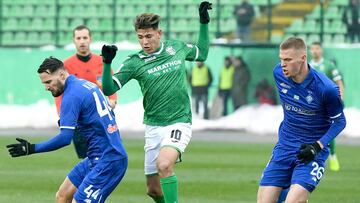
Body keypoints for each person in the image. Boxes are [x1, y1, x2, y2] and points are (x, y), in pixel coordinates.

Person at [100, 2, 212, 203]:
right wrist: (107, 64)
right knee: (153, 190)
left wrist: (204, 22)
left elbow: (201, 53)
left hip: (178, 121)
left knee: (164, 165)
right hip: (153, 125)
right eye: (140, 37)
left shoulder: (175, 48)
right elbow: (109, 89)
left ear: (159, 33)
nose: (144, 42)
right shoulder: (134, 61)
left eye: (149, 36)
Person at [6, 57, 128, 203]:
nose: (46, 87)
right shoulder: (85, 85)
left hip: (108, 160)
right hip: (97, 156)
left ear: (62, 75)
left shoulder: (71, 96)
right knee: (63, 196)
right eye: (44, 83)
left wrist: (31, 148)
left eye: (48, 81)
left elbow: (65, 139)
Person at [257, 37, 346, 203]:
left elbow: (340, 122)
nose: (283, 64)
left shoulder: (326, 88)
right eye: (281, 59)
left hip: (311, 152)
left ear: (303, 58)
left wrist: (317, 145)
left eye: (288, 60)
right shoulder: (278, 73)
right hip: (284, 147)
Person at [55, 25, 118, 159]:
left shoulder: (101, 62)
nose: (82, 41)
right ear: (74, 40)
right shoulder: (66, 66)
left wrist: (112, 99)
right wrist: (61, 113)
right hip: (79, 119)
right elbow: (60, 93)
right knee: (87, 158)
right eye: (79, 38)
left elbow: (110, 83)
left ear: (90, 39)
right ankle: (90, 179)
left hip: (101, 117)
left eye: (85, 37)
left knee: (106, 155)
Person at [310, 41, 345, 171]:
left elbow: (339, 82)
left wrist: (340, 99)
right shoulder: (307, 66)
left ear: (321, 50)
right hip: (312, 104)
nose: (315, 51)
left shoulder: (329, 66)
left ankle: (332, 155)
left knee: (329, 128)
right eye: (312, 49)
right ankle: (313, 154)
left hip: (328, 103)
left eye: (317, 48)